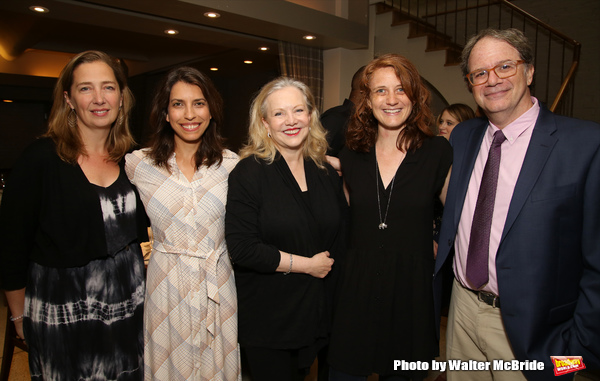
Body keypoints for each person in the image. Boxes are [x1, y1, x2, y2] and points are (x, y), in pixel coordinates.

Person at [433, 28, 600, 381]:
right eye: (480, 73)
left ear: (529, 71)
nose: (492, 80)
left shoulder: (585, 145)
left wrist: (579, 351)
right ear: (470, 82)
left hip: (536, 330)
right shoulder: (463, 137)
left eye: (505, 66)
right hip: (461, 311)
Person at [0, 50, 147, 380]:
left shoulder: (133, 159)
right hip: (64, 309)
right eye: (85, 88)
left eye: (108, 87)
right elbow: (11, 245)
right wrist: (19, 317)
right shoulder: (40, 158)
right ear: (68, 99)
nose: (99, 98)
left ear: (122, 97)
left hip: (129, 304)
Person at [327, 53, 453, 381]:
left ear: (415, 95)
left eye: (400, 89)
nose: (392, 99)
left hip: (410, 298)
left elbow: (461, 217)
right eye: (380, 91)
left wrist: (439, 244)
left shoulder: (438, 152)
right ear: (366, 100)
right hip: (355, 295)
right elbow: (343, 221)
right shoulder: (351, 154)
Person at [225, 77, 346, 381]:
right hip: (270, 318)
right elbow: (242, 249)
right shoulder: (250, 172)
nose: (290, 121)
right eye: (279, 114)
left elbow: (341, 232)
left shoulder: (323, 170)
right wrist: (307, 266)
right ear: (265, 123)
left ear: (310, 116)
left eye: (298, 111)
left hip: (316, 313)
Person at [125, 66, 241, 380]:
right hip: (166, 288)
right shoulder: (139, 164)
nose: (189, 114)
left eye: (199, 103)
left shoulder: (233, 165)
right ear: (165, 113)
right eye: (178, 104)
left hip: (217, 283)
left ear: (212, 110)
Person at [320, 66, 366, 156]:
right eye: (380, 90)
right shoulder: (335, 119)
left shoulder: (365, 123)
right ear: (364, 90)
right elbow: (313, 159)